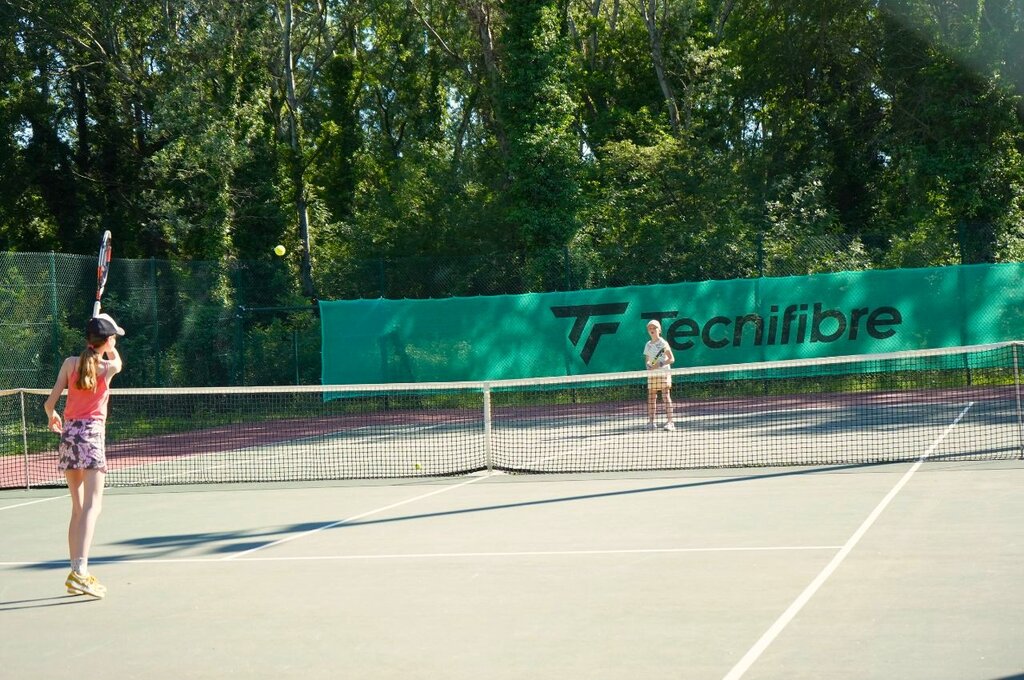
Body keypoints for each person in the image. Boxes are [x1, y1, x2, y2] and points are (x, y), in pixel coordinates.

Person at [43, 313, 125, 598]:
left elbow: (49, 404)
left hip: (69, 436)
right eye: (113, 336)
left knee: (78, 509)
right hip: (91, 436)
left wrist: (53, 415)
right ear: (108, 340)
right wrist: (108, 343)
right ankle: (80, 572)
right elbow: (117, 359)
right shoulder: (108, 367)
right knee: (93, 506)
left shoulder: (69, 364)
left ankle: (76, 571)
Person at [643, 319, 675, 431]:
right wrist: (649, 366)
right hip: (652, 375)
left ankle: (670, 422)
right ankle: (651, 422)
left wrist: (659, 364)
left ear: (659, 330)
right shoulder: (648, 345)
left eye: (654, 328)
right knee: (651, 397)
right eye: (650, 328)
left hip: (663, 373)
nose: (652, 330)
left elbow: (671, 359)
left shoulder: (663, 343)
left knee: (665, 396)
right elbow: (647, 360)